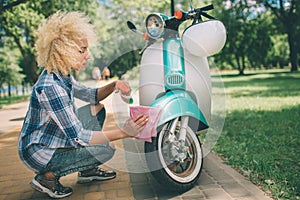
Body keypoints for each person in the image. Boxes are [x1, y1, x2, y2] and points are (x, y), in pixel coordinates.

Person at [17, 11, 148, 199]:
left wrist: (114, 85)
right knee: (106, 148)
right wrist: (125, 132)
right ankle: (46, 178)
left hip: (51, 138)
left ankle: (87, 170)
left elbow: (91, 95)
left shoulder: (62, 75)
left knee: (98, 109)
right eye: (82, 50)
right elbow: (78, 136)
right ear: (63, 50)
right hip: (39, 152)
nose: (87, 55)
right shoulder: (51, 87)